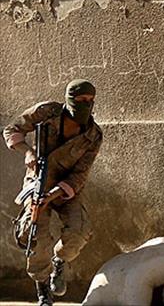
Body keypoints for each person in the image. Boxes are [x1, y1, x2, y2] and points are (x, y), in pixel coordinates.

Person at [3, 79, 101, 306]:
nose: (86, 104)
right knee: (35, 234)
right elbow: (12, 129)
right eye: (81, 100)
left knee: (79, 231)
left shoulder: (93, 135)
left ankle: (60, 261)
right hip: (38, 181)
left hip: (66, 189)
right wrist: (27, 152)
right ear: (70, 99)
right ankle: (43, 288)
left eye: (90, 100)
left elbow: (80, 174)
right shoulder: (46, 112)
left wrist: (53, 195)